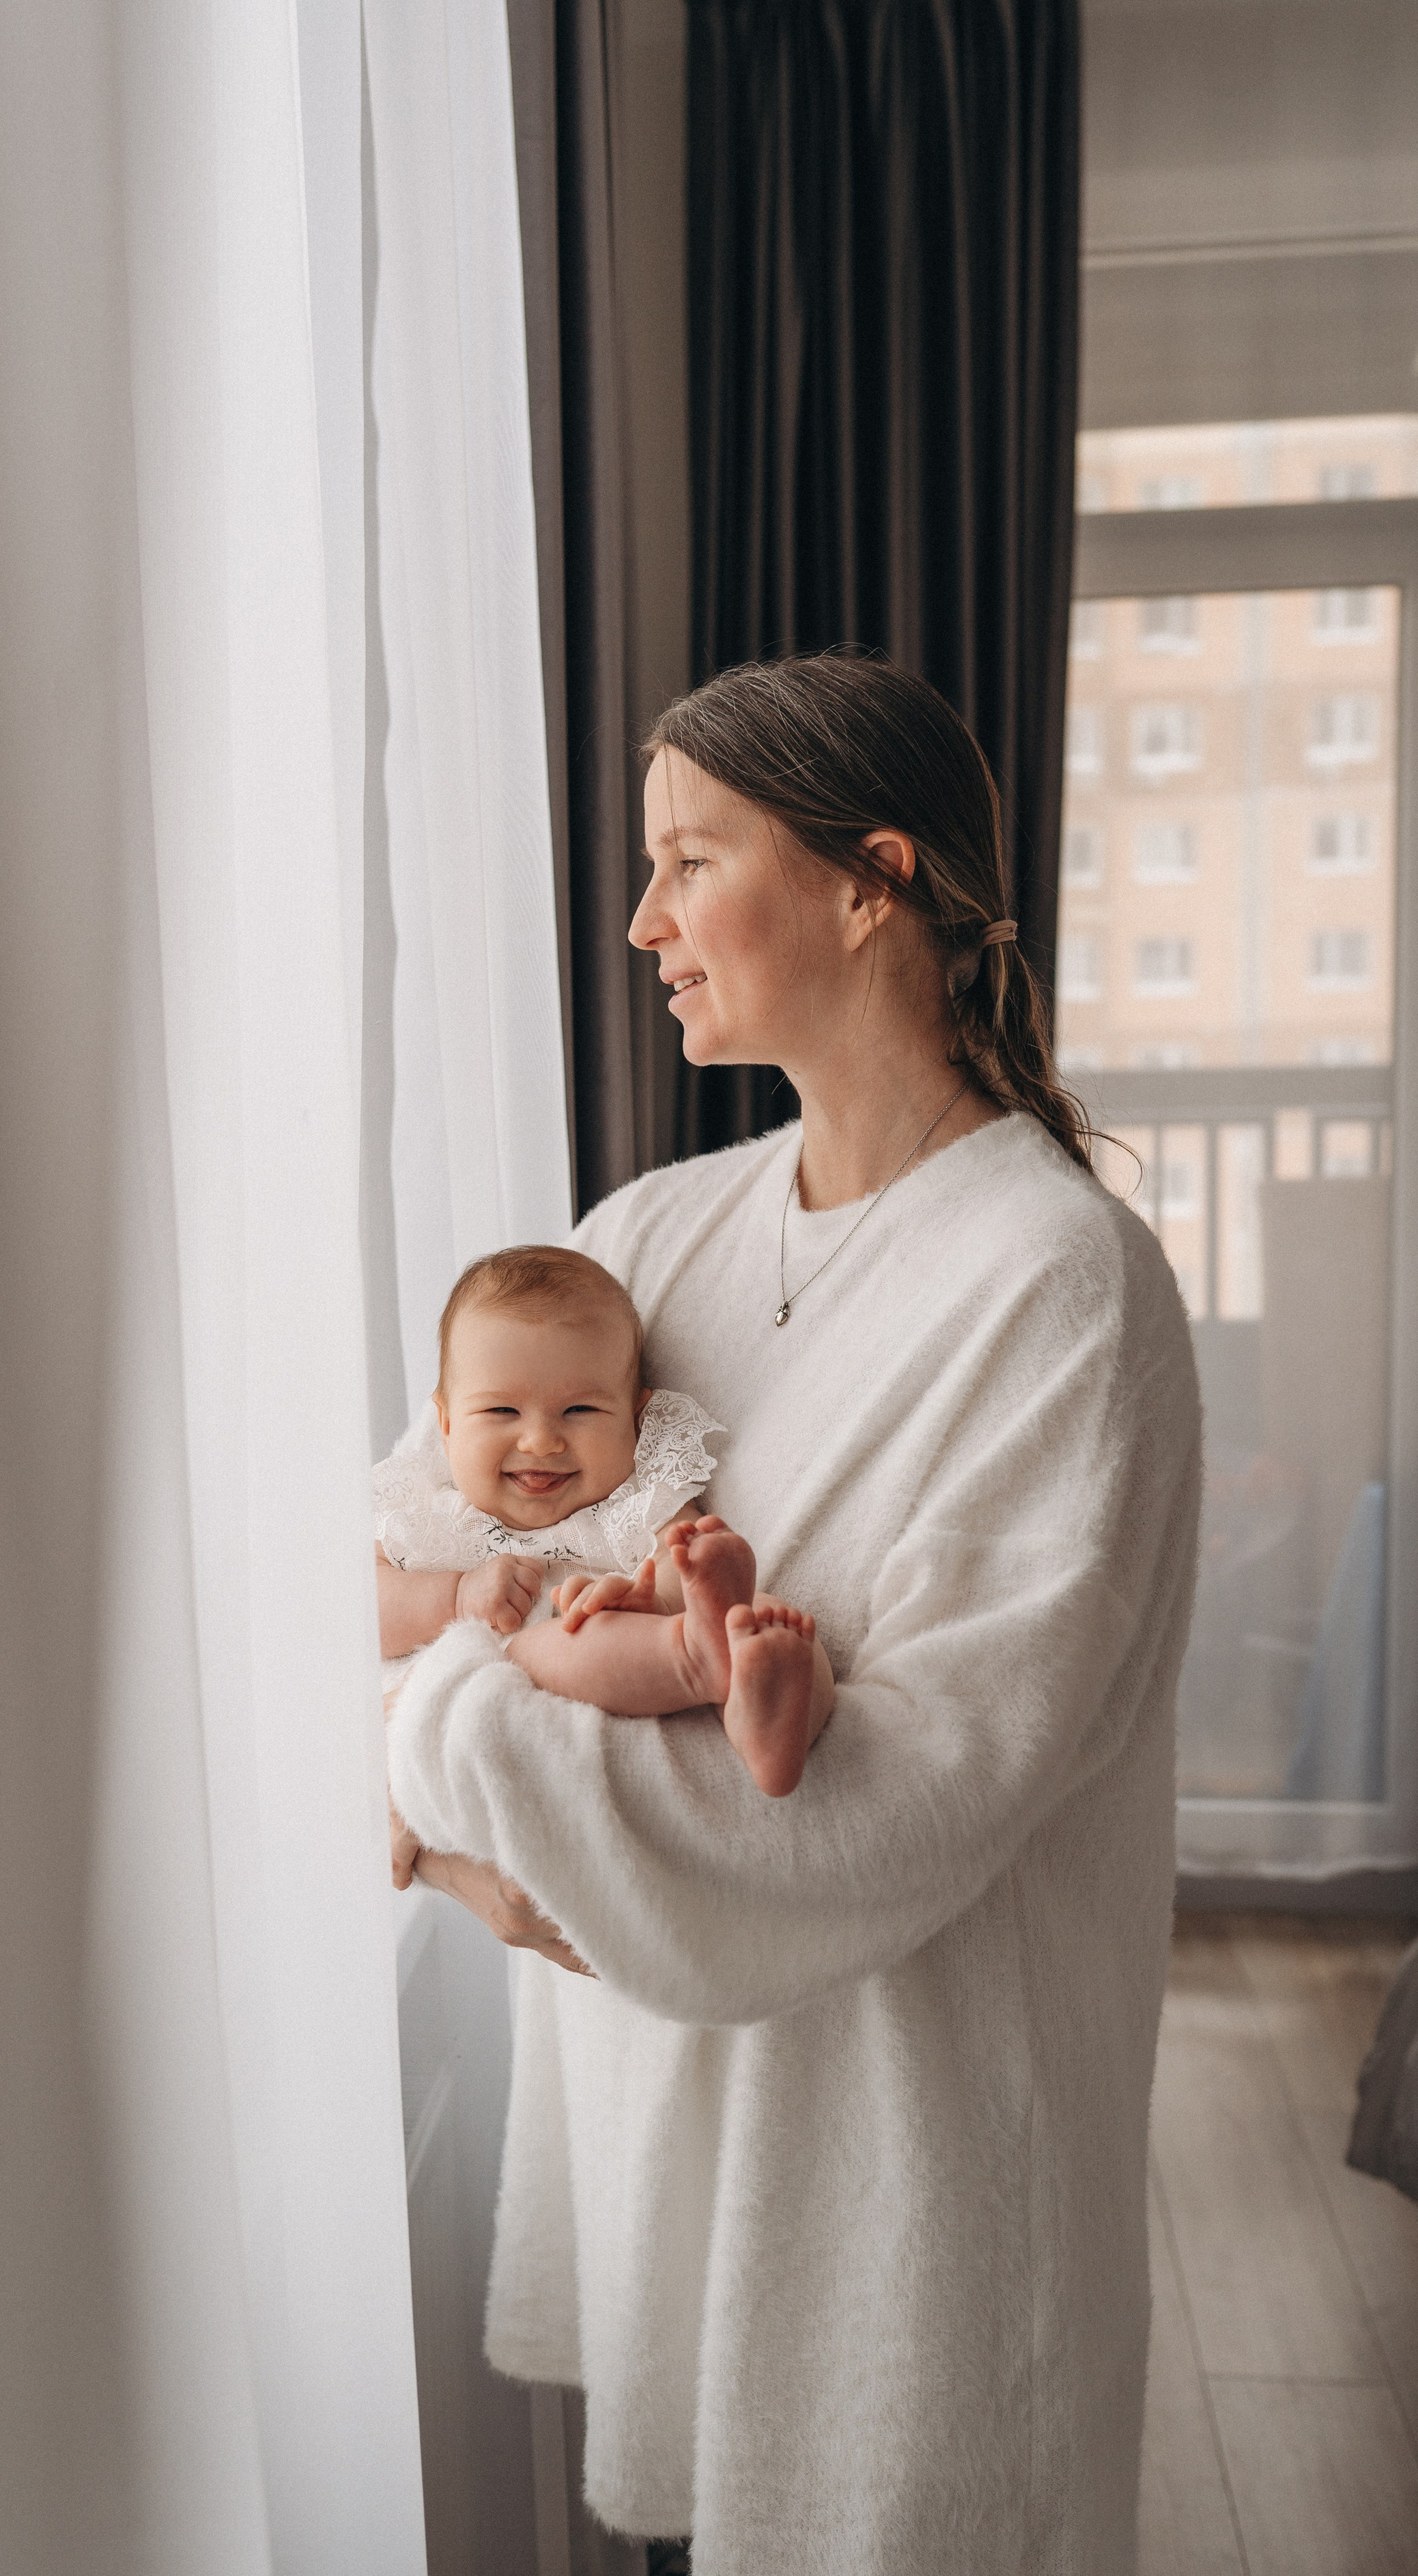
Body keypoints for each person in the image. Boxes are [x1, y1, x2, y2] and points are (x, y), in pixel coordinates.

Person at [384, 652, 1202, 2575]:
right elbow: (398, 1549)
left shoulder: (1061, 1288)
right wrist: (468, 1785)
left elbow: (915, 1791)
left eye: (690, 861)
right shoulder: (651, 1234)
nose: (647, 921)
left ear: (869, 881)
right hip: (697, 2152)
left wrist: (462, 1775)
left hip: (919, 2189)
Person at [374, 1244, 826, 1795]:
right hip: (521, 1670)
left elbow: (676, 1558)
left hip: (634, 1628)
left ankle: (783, 1714)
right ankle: (694, 1660)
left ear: (636, 1420)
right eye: (501, 1412)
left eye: (580, 1411)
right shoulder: (426, 1506)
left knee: (761, 1616)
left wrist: (653, 1594)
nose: (540, 1441)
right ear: (444, 1424)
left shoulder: (635, 1493)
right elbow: (362, 1615)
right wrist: (456, 1597)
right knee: (548, 1645)